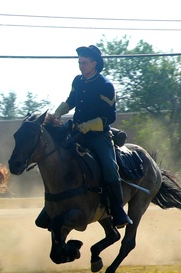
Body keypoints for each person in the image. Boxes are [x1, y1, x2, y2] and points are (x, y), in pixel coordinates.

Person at [51, 45, 131, 227]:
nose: (81, 66)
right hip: (76, 132)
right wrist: (56, 114)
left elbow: (110, 117)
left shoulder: (105, 86)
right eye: (79, 62)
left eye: (84, 62)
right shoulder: (78, 81)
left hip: (98, 136)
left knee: (110, 168)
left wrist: (88, 126)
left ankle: (118, 210)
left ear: (95, 63)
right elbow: (71, 101)